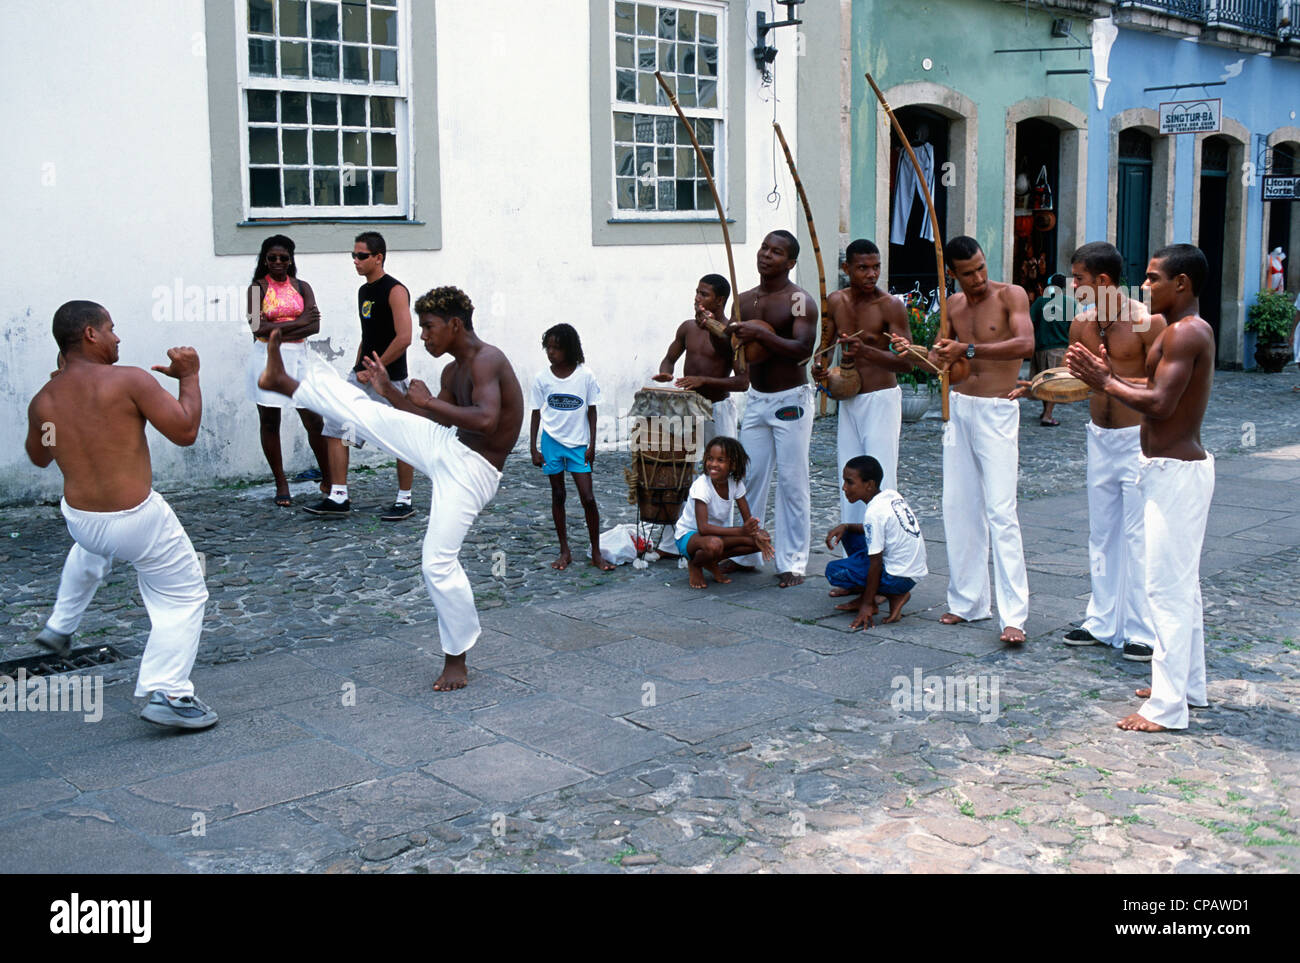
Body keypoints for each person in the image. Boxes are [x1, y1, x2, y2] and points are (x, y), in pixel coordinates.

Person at [258, 286, 524, 691]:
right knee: (368, 415)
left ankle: (457, 659)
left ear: (455, 325)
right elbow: (432, 419)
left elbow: (485, 420)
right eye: (421, 328)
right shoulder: (453, 371)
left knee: (436, 562)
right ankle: (286, 381)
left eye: (429, 327)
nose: (423, 336)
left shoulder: (488, 360)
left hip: (474, 473)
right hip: (448, 448)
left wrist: (429, 403)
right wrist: (388, 392)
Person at [26, 302, 216, 729]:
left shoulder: (44, 399)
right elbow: (185, 431)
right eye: (112, 329)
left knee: (91, 549)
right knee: (184, 596)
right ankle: (169, 692)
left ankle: (61, 623)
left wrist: (58, 408)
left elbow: (39, 457)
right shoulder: (128, 380)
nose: (118, 338)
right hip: (136, 519)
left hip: (82, 520)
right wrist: (189, 376)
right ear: (90, 334)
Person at [1067, 244, 1217, 733]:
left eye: (1154, 279)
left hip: (1176, 472)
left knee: (1165, 588)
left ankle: (1168, 708)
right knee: (1180, 587)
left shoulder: (1188, 332)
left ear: (1182, 285)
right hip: (1162, 469)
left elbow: (1158, 402)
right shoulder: (1174, 331)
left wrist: (1105, 379)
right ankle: (1185, 685)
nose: (1144, 286)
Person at [892, 235, 1033, 644]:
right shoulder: (953, 305)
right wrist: (916, 350)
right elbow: (944, 360)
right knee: (958, 507)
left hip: (998, 410)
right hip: (960, 408)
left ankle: (1014, 617)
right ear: (951, 274)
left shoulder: (1012, 295)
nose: (978, 278)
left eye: (981, 268)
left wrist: (968, 349)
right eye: (968, 273)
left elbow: (1026, 344)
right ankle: (969, 601)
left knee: (1001, 511)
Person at [1059, 242, 1164, 662]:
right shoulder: (1081, 323)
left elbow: (1163, 391)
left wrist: (1110, 381)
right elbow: (1072, 380)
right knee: (1102, 533)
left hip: (1137, 440)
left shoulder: (1145, 322)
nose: (1073, 286)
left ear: (1102, 281)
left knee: (1138, 537)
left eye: (1079, 279)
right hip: (1098, 437)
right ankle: (1101, 620)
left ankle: (1141, 629)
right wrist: (1034, 389)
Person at [724, 230, 818, 587]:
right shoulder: (744, 301)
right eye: (764, 248)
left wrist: (761, 335)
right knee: (748, 479)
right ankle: (748, 552)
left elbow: (802, 349)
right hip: (758, 400)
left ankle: (793, 562)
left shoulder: (799, 300)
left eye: (776, 252)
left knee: (793, 482)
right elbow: (734, 349)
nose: (766, 255)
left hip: (789, 400)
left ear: (790, 262)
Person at [310, 231, 415, 520]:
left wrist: (375, 368)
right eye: (353, 255)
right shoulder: (363, 291)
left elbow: (404, 337)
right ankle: (338, 495)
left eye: (361, 256)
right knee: (336, 427)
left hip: (390, 379)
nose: (355, 261)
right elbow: (367, 336)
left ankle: (404, 499)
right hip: (362, 377)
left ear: (378, 257)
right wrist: (358, 368)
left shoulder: (395, 290)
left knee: (401, 437)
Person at [815, 238, 914, 523]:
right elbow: (825, 347)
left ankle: (887, 549)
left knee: (880, 476)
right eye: (863, 268)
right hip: (849, 400)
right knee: (849, 476)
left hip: (880, 399)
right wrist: (820, 367)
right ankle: (857, 548)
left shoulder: (891, 306)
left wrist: (867, 351)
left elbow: (908, 363)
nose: (871, 274)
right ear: (846, 268)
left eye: (876, 267)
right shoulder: (836, 300)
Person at [245, 235, 331, 507]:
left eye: (283, 258)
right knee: (270, 421)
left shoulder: (302, 287)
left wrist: (281, 328)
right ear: (265, 259)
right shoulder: (256, 289)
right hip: (266, 357)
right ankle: (281, 483)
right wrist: (300, 321)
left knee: (314, 419)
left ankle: (329, 477)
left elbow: (315, 327)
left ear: (291, 259)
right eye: (272, 258)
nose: (278, 263)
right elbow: (258, 329)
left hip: (299, 358)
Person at [530, 323, 614, 572]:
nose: (552, 352)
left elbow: (592, 411)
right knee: (558, 495)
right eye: (549, 347)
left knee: (588, 497)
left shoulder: (585, 375)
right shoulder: (542, 378)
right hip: (551, 443)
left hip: (578, 445)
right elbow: (535, 412)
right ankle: (564, 550)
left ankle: (596, 552)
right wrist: (534, 448)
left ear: (569, 349)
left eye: (557, 348)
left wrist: (592, 445)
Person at [824, 455, 927, 630]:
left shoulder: (874, 512)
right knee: (848, 533)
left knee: (834, 571)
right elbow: (877, 529)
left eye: (850, 482)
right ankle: (881, 591)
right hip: (910, 574)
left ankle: (890, 594)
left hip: (898, 578)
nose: (844, 488)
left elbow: (876, 563)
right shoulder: (890, 495)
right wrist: (846, 526)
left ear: (869, 485)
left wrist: (867, 604)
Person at [653, 274, 747, 447]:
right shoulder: (687, 327)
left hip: (717, 409)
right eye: (697, 292)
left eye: (703, 294)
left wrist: (703, 381)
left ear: (719, 300)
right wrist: (665, 372)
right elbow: (669, 360)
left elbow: (742, 383)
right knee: (691, 468)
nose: (697, 298)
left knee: (723, 464)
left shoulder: (732, 334)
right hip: (689, 408)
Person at [673, 437, 773, 589]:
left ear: (732, 464)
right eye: (710, 459)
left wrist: (756, 533)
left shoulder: (735, 483)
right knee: (714, 544)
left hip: (715, 536)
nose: (713, 464)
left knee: (761, 539)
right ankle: (694, 563)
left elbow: (748, 521)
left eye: (720, 460)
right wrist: (742, 531)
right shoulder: (702, 485)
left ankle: (710, 562)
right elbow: (703, 528)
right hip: (689, 537)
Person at [1028, 273, 1074, 426]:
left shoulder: (1040, 302)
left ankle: (1045, 411)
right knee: (1055, 384)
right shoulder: (1070, 303)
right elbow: (1074, 326)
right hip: (1060, 349)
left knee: (1043, 383)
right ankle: (1047, 415)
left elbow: (1030, 322)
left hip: (1041, 348)